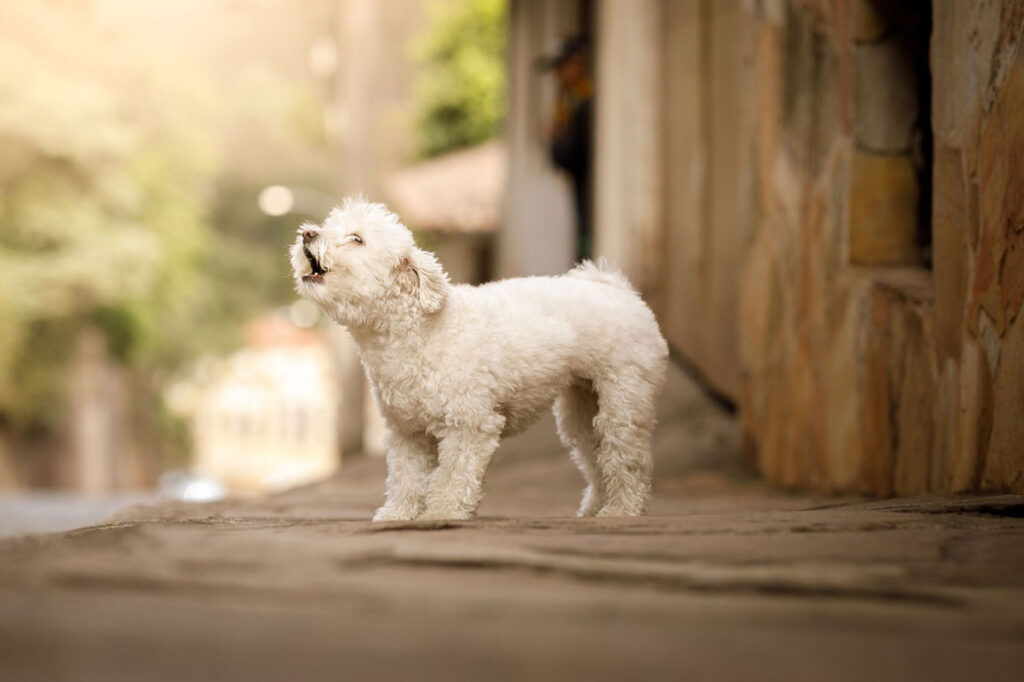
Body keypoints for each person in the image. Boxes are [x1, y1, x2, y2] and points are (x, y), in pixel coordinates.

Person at [539, 37, 593, 261]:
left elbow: (568, 155)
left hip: (589, 190)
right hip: (583, 190)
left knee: (586, 242)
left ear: (578, 64)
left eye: (562, 67)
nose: (559, 76)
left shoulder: (585, 102)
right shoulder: (572, 101)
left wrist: (555, 137)